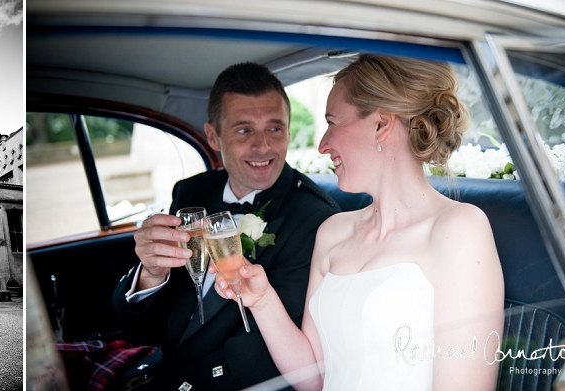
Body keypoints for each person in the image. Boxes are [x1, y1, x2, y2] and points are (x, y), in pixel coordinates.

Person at [213, 54, 505, 390]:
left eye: (333, 122)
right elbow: (316, 379)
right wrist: (262, 300)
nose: (323, 145)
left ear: (381, 124)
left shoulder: (459, 229)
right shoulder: (333, 231)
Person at [111, 62, 341, 389]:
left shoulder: (315, 220)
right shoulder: (191, 192)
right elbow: (149, 325)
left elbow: (260, 356)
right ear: (213, 137)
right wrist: (151, 274)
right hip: (157, 360)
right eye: (244, 130)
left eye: (275, 128)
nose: (262, 146)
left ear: (289, 131)